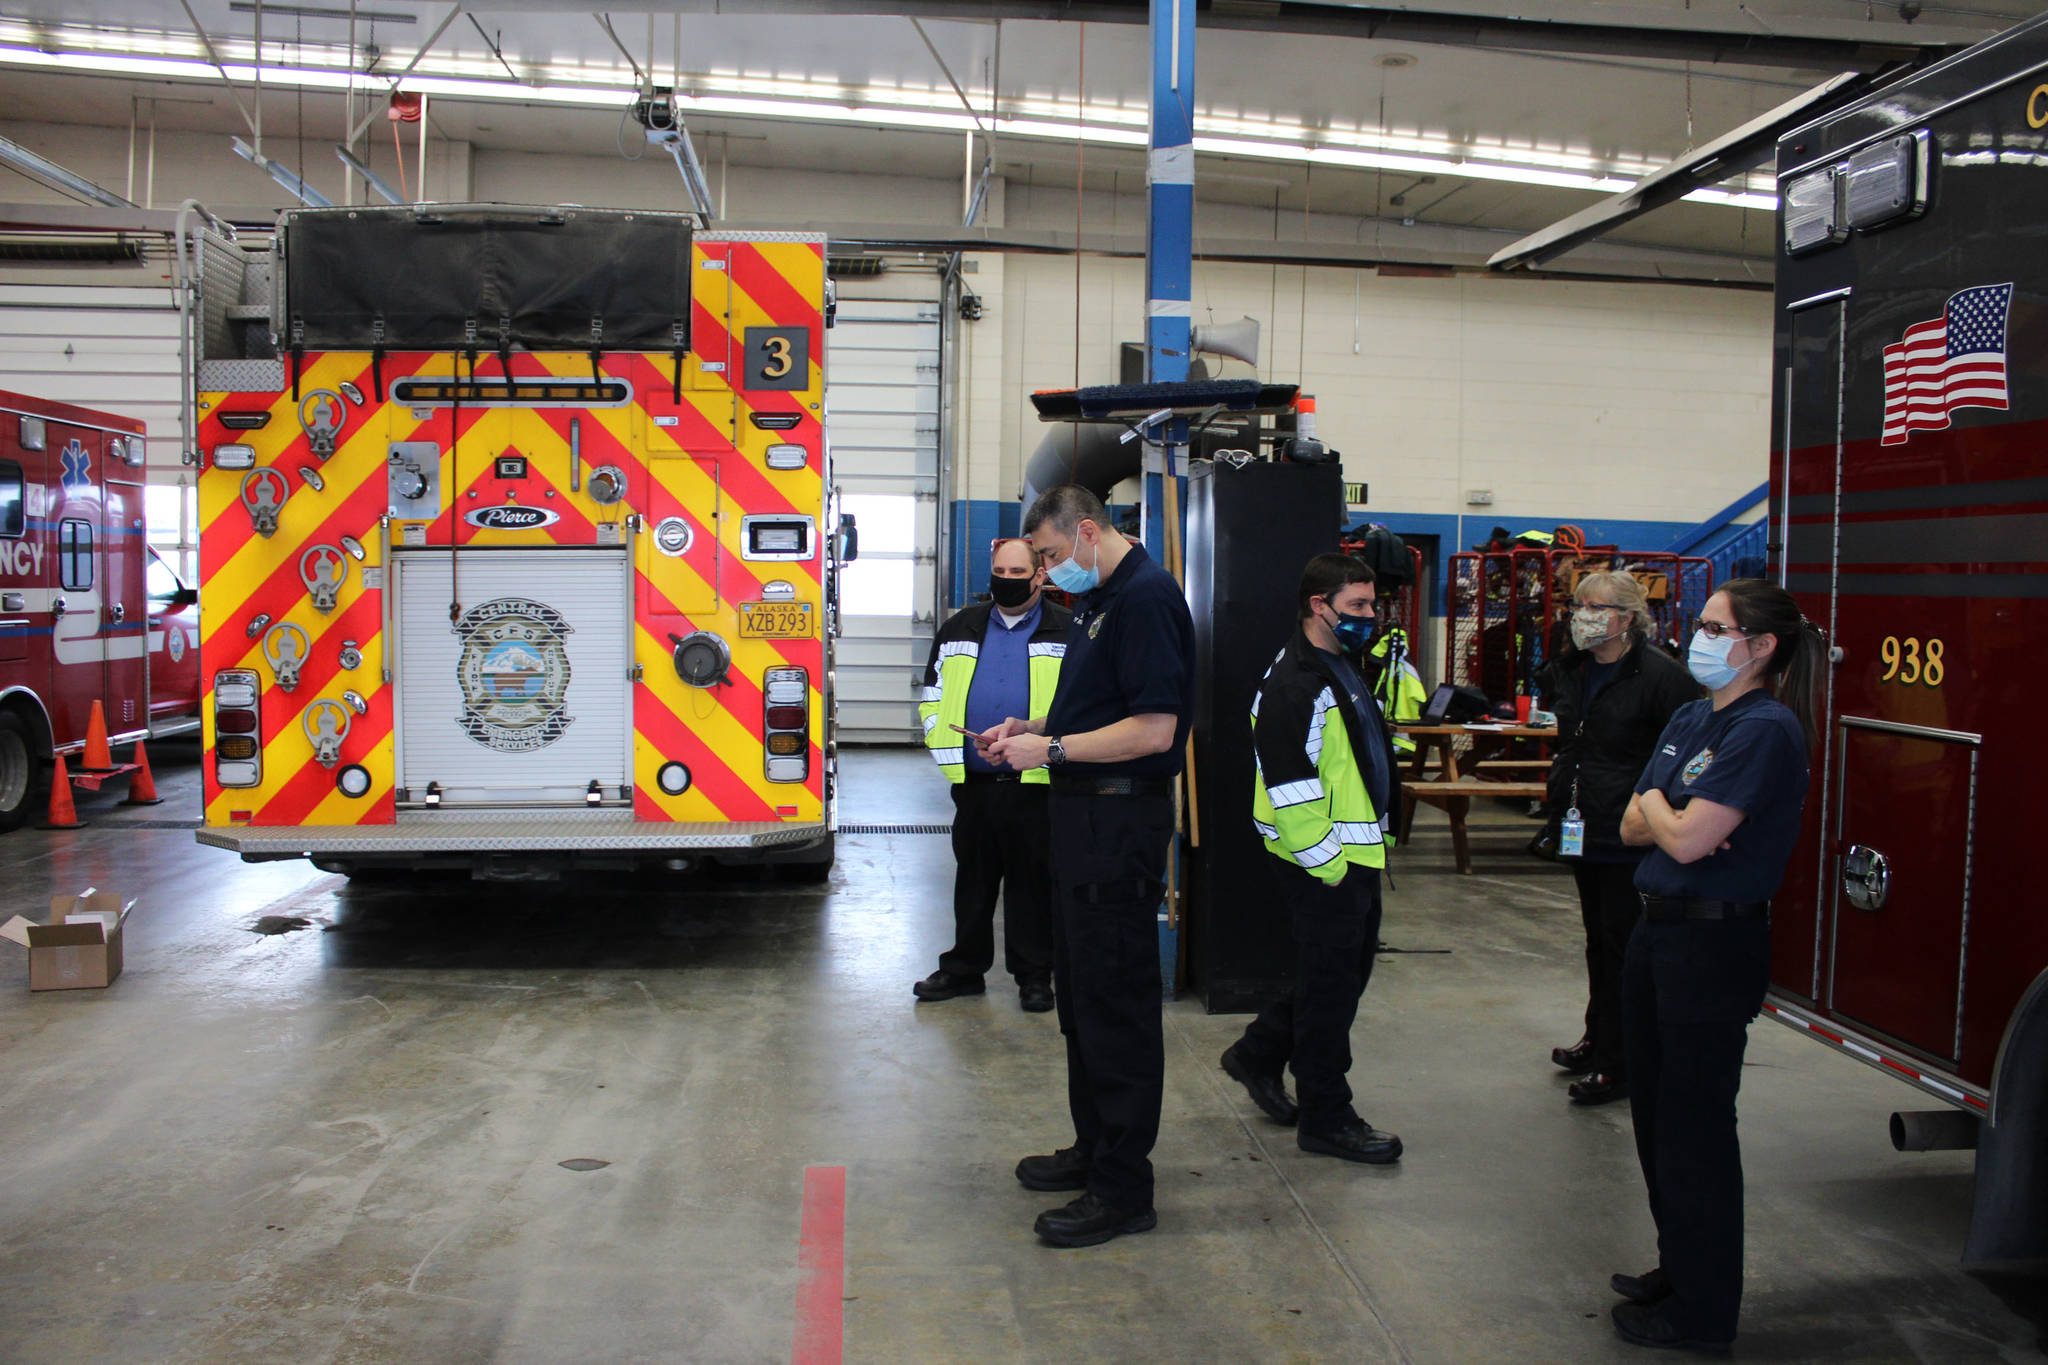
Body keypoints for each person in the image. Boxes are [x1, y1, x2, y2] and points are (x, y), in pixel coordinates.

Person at [1608, 579, 1824, 1352]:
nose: (1695, 636)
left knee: (1696, 1127)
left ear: (1760, 646)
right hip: (1656, 932)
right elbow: (1635, 821)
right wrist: (1673, 812)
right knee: (1656, 1116)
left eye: (1712, 626)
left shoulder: (1764, 730)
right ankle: (1680, 1263)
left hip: (1713, 944)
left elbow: (1688, 838)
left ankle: (1702, 1312)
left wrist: (1668, 812)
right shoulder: (1693, 715)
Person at [981, 484, 1194, 1249]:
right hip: (1080, 823)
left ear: (1088, 532)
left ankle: (1123, 1187)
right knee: (1082, 1002)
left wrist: (1056, 751)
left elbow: (1153, 728)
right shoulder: (1100, 599)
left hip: (1117, 823)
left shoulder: (1145, 600)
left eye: (1045, 556)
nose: (1041, 573)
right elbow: (1095, 705)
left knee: (1117, 1009)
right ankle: (1094, 1146)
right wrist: (1032, 727)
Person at [1219, 553, 1405, 1163]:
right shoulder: (1296, 682)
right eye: (1357, 606)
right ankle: (1326, 1115)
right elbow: (1290, 787)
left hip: (1353, 856)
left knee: (1342, 977)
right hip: (1322, 864)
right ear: (1318, 606)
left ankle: (1258, 1052)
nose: (1369, 617)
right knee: (1331, 991)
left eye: (1372, 606)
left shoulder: (1339, 665)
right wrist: (1329, 866)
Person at [1533, 571, 1698, 1105]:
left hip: (1629, 829)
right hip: (1582, 823)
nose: (1583, 614)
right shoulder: (1571, 670)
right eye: (1578, 604)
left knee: (1625, 946)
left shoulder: (1661, 678)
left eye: (1596, 606)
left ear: (1627, 618)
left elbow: (1683, 757)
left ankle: (1622, 1061)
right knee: (1597, 942)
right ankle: (1598, 1037)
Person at [913, 537, 1070, 1013]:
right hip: (976, 783)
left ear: (1040, 576)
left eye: (1017, 574)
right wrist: (954, 745)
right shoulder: (958, 628)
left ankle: (1034, 977)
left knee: (1032, 883)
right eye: (999, 571)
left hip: (1038, 783)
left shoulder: (1068, 631)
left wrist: (1039, 745)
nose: (1005, 581)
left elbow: (1079, 705)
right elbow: (932, 695)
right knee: (973, 880)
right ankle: (964, 969)